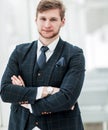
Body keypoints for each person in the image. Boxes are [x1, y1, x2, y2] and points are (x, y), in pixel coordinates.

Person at [1, 0, 85, 130]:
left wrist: (29, 102)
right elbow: (6, 92)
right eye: (43, 19)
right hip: (22, 125)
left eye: (53, 19)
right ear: (36, 20)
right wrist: (47, 91)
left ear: (63, 22)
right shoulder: (19, 52)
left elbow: (68, 98)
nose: (47, 24)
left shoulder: (75, 54)